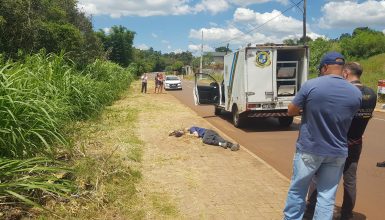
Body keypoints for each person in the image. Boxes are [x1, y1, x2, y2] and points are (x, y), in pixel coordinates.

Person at [282, 52, 362, 220]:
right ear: (343, 69)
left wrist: (308, 110)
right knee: (327, 197)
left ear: (325, 67)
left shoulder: (311, 85)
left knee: (298, 191)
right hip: (337, 152)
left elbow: (291, 111)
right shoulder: (355, 93)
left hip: (310, 149)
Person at [304, 62, 377, 220]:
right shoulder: (372, 93)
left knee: (321, 176)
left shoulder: (347, 92)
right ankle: (347, 214)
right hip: (356, 141)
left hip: (336, 141)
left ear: (345, 74)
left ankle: (310, 210)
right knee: (350, 179)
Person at [169, 126, 240, 151]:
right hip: (210, 133)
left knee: (205, 140)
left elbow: (196, 135)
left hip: (207, 132)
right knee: (221, 140)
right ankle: (233, 146)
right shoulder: (189, 131)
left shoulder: (192, 128)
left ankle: (221, 144)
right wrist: (173, 133)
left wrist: (188, 134)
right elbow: (177, 132)